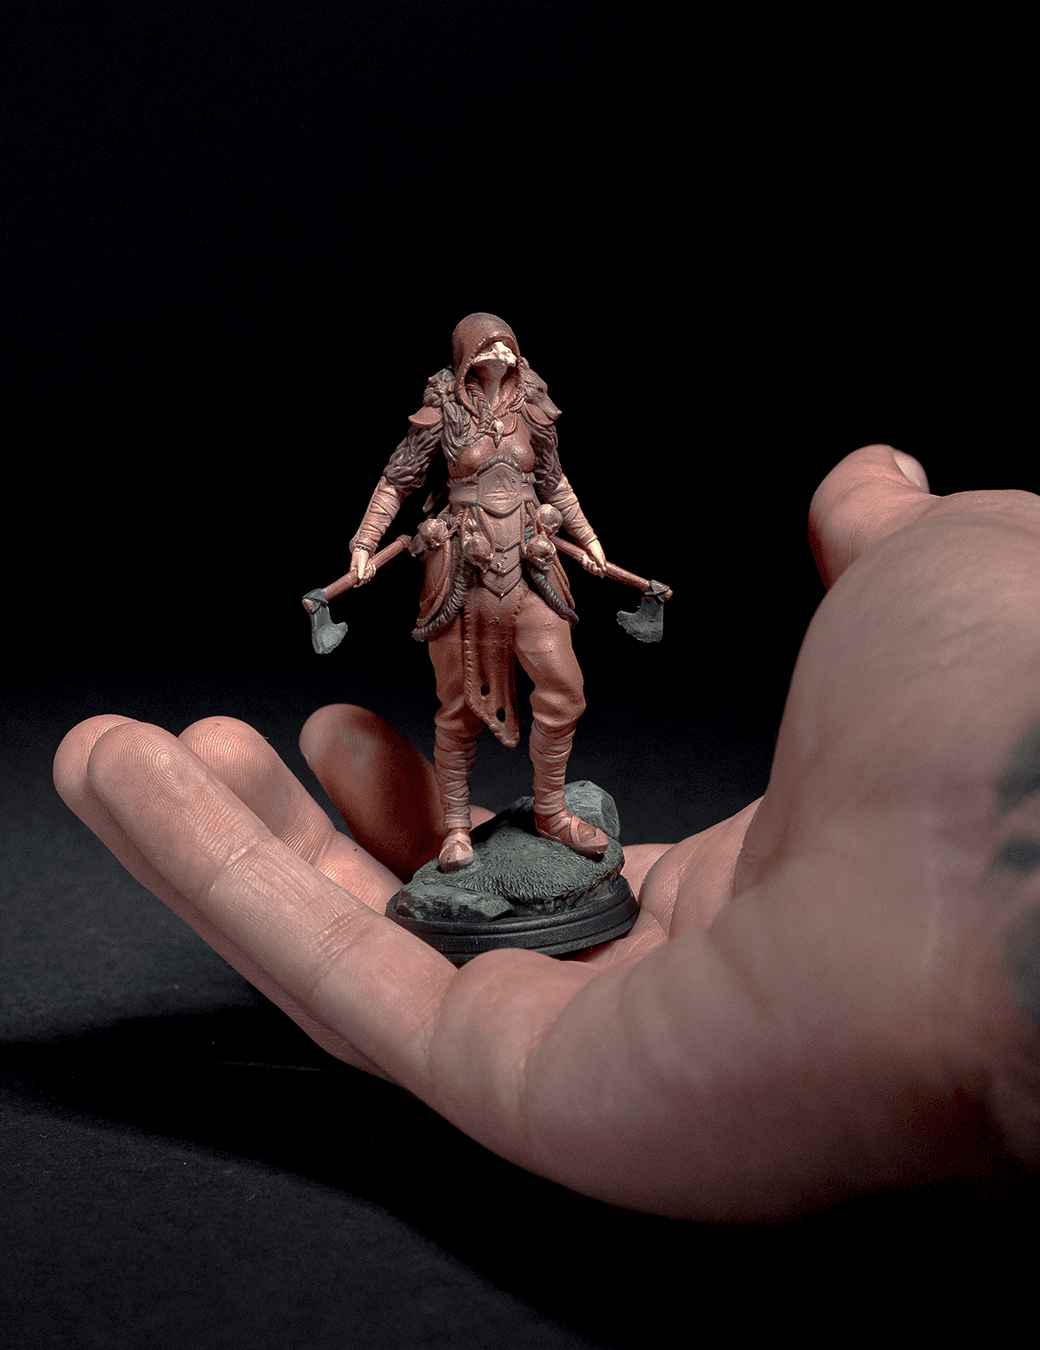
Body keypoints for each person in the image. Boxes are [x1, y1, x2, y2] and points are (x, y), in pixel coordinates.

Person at [53, 445, 1040, 1220]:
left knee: (553, 700)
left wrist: (603, 560)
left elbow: (563, 512)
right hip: (459, 610)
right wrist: (360, 559)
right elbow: (396, 510)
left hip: (531, 603)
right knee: (459, 721)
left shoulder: (531, 462)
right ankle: (458, 832)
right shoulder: (443, 465)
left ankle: (547, 811)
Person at [347, 312, 610, 871]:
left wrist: (588, 539)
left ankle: (551, 812)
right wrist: (365, 543)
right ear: (466, 354)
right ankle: (457, 829)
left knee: (565, 690)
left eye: (508, 345)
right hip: (462, 567)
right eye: (489, 346)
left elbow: (554, 481)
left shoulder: (531, 406)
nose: (502, 353)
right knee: (457, 708)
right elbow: (396, 481)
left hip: (532, 560)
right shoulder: (442, 410)